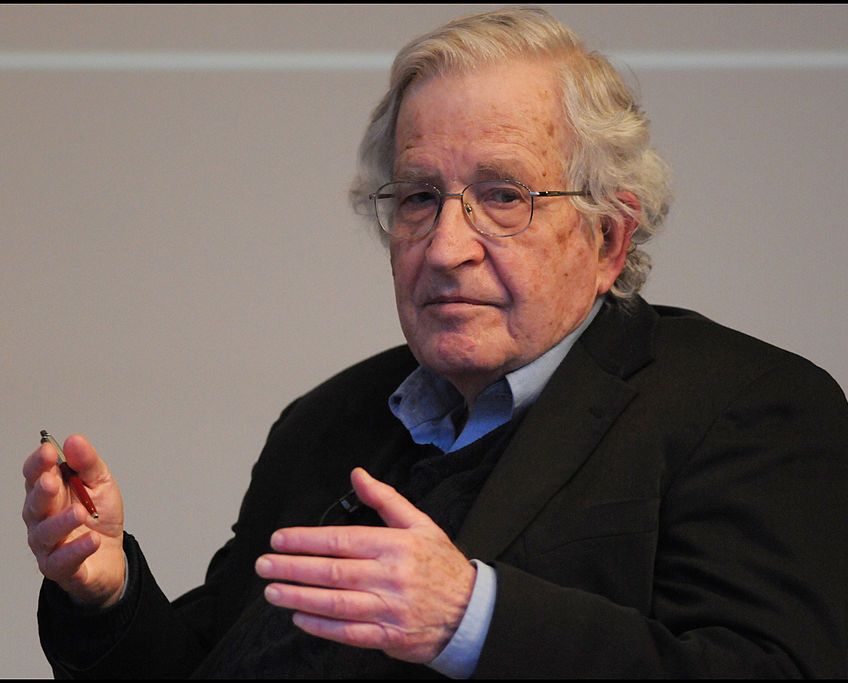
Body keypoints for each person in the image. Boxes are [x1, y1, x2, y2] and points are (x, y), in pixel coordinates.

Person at [22, 7, 848, 678]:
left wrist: (473, 619)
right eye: (420, 196)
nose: (447, 245)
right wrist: (107, 593)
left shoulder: (747, 406)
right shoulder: (327, 422)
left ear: (608, 240)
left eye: (502, 195)